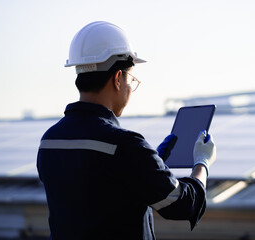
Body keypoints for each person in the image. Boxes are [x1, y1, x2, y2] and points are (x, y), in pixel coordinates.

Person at [37, 21, 216, 240]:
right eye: (131, 79)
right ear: (117, 79)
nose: (131, 87)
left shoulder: (50, 141)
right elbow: (183, 204)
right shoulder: (124, 145)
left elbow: (94, 192)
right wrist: (202, 164)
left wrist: (149, 165)